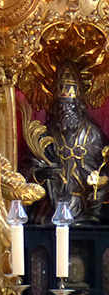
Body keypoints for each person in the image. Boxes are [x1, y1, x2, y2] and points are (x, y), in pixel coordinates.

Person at [22, 62, 109, 226]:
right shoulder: (45, 133)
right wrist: (41, 174)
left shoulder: (93, 135)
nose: (65, 110)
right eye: (61, 104)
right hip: (53, 205)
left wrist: (100, 186)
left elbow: (104, 168)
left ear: (79, 106)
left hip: (87, 206)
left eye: (70, 104)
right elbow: (28, 166)